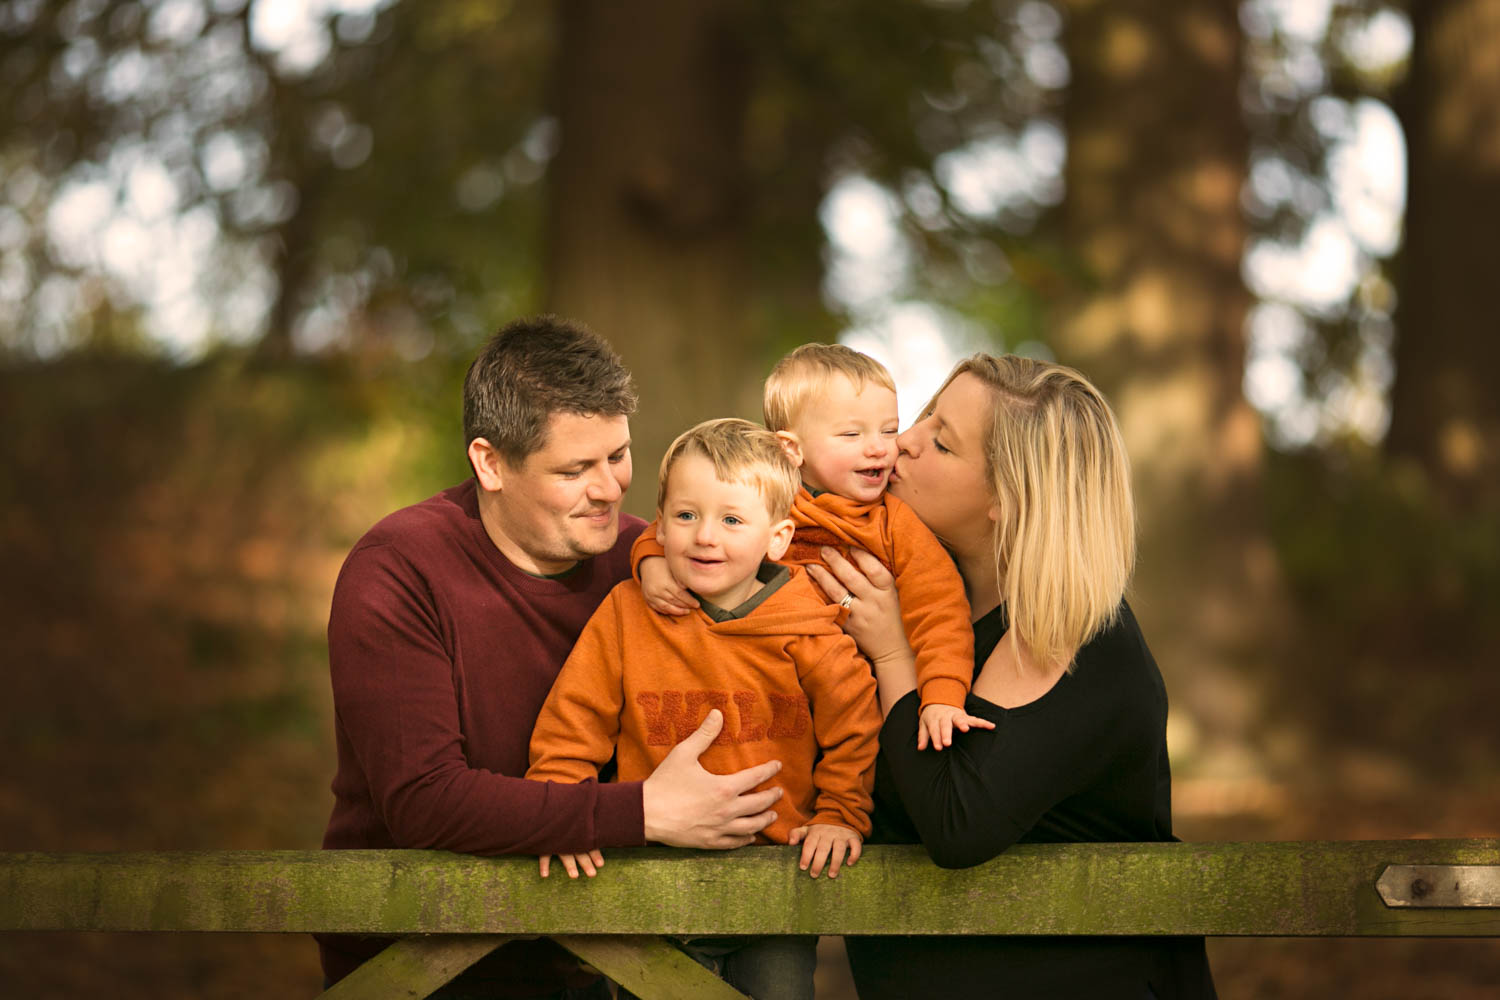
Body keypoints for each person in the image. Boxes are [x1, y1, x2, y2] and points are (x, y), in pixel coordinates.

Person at [319, 317, 787, 998]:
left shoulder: (657, 558)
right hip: (424, 961)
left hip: (616, 960)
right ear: (490, 463)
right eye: (574, 470)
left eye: (617, 456)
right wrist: (645, 812)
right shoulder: (399, 571)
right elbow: (423, 799)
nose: (608, 489)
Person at [807, 354, 1218, 999]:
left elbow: (956, 823)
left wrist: (892, 658)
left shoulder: (1076, 634)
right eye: (923, 417)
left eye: (940, 441)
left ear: (1006, 497)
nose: (902, 443)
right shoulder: (910, 593)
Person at [527, 417, 882, 1000]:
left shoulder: (810, 628)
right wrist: (564, 804)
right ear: (659, 526)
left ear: (777, 538)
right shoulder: (627, 613)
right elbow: (576, 718)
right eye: (687, 516)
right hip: (651, 881)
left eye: (732, 520)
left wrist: (841, 813)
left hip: (774, 887)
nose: (705, 536)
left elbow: (855, 725)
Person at [640, 343, 990, 751]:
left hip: (850, 703)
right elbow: (685, 519)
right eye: (851, 434)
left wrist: (942, 697)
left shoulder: (895, 525)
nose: (878, 447)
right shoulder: (763, 497)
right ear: (792, 449)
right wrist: (651, 559)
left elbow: (942, 611)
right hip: (750, 680)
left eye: (889, 430)